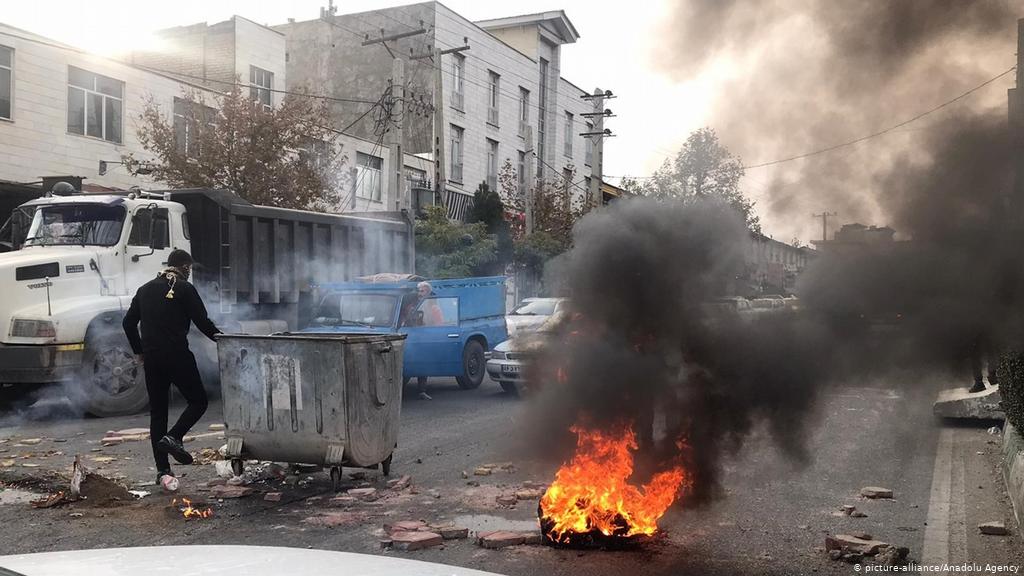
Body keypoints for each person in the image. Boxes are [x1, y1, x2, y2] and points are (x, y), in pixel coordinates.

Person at [122, 249, 221, 492]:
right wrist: (224, 340)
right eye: (190, 268)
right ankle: (174, 437)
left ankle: (163, 470)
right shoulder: (185, 289)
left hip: (153, 359)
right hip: (177, 355)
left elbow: (128, 322)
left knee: (158, 412)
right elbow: (203, 322)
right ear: (185, 266)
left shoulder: (144, 289)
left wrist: (140, 350)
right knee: (198, 401)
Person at [399, 281, 442, 401]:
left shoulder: (433, 307)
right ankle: (401, 390)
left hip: (425, 337)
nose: (419, 293)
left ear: (428, 292)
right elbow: (403, 319)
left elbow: (439, 325)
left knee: (423, 363)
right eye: (418, 290)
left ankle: (422, 390)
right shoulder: (411, 305)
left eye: (422, 291)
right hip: (410, 335)